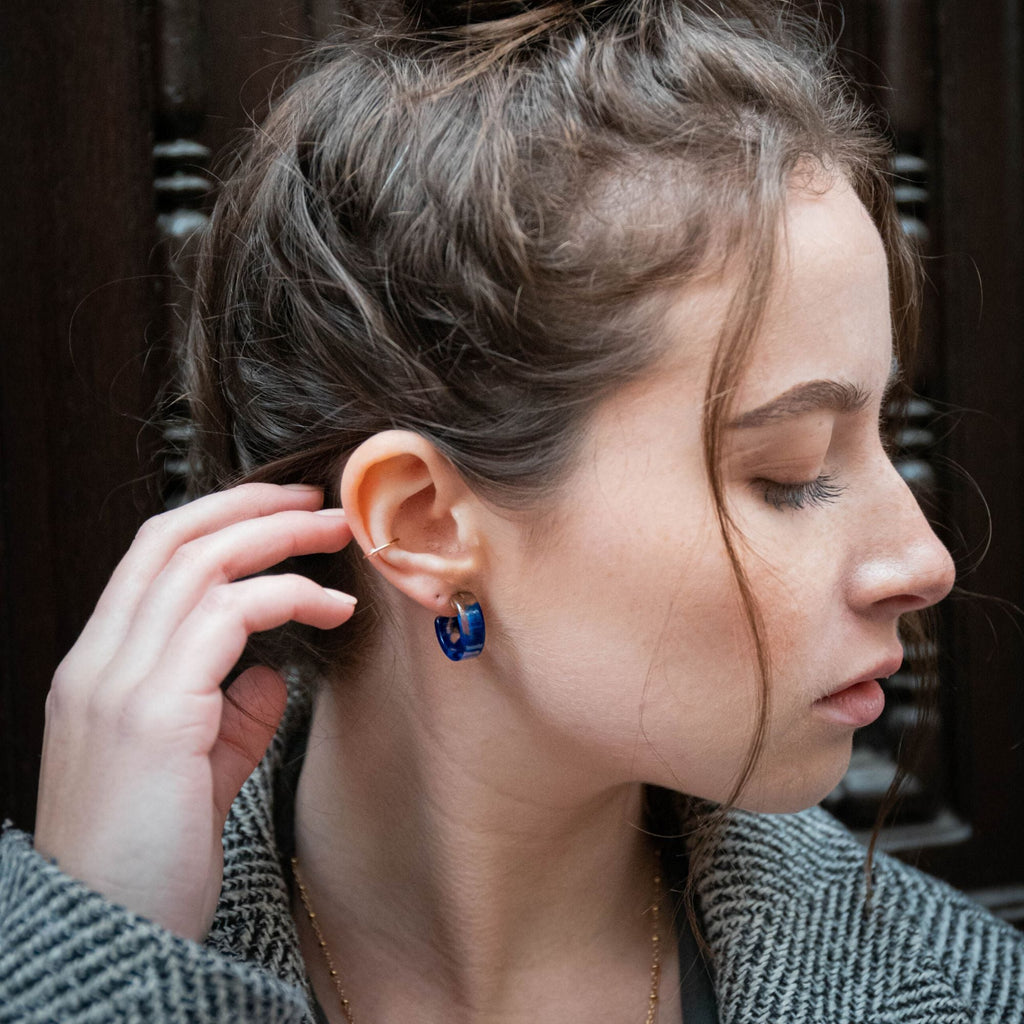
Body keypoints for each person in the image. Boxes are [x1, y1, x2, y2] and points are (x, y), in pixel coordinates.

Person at [2, 0, 1023, 1021]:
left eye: (886, 430)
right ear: (425, 525)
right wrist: (104, 963)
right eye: (788, 471)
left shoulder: (965, 993)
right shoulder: (65, 974)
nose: (922, 557)